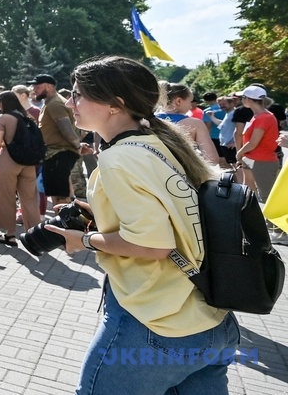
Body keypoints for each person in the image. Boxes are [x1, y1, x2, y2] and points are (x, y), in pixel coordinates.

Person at [46, 56, 239, 394]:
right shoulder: (159, 144)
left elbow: (153, 245)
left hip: (157, 325)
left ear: (114, 105)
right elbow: (171, 215)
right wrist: (102, 213)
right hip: (212, 319)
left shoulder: (118, 159)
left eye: (77, 95)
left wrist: (84, 240)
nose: (69, 103)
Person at [0, 90, 40, 246]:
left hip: (9, 159)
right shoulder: (27, 116)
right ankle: (35, 236)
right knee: (30, 198)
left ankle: (9, 234)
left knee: (6, 196)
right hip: (29, 161)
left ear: (2, 103)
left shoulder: (3, 118)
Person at [29, 74, 84, 204]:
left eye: (37, 86)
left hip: (59, 155)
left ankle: (63, 217)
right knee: (57, 195)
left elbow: (67, 130)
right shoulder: (50, 103)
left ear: (49, 86)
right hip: (55, 155)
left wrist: (78, 146)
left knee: (61, 198)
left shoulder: (55, 104)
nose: (34, 90)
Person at [156, 82, 221, 165]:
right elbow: (212, 159)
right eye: (190, 101)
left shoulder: (146, 121)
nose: (190, 106)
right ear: (178, 101)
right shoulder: (195, 124)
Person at [235, 85, 280, 201]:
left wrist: (239, 153)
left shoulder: (264, 117)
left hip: (263, 161)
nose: (241, 100)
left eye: (242, 97)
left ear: (248, 99)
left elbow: (253, 143)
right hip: (252, 159)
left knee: (268, 198)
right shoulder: (258, 116)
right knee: (249, 193)